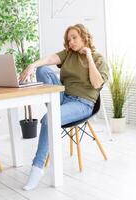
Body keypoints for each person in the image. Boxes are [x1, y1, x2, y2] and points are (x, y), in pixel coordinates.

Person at [19, 24, 109, 190]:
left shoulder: (98, 58)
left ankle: (37, 167)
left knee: (48, 119)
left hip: (83, 103)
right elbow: (47, 60)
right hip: (63, 97)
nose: (71, 42)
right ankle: (57, 112)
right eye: (69, 39)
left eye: (75, 37)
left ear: (84, 37)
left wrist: (89, 57)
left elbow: (97, 83)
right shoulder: (69, 54)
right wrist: (32, 65)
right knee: (43, 69)